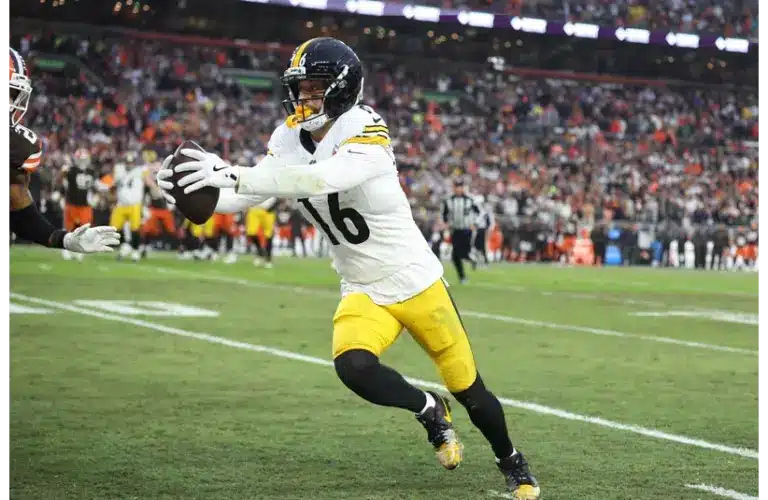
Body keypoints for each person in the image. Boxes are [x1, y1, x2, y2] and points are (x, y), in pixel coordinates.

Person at [156, 37, 540, 499]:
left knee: (469, 388)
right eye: (300, 88)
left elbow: (324, 178)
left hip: (415, 280)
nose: (304, 99)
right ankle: (427, 410)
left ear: (341, 89)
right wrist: (193, 191)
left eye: (315, 88)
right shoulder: (286, 138)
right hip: (361, 285)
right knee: (353, 366)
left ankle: (513, 463)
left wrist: (230, 169)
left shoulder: (364, 126)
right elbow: (249, 195)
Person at [8, 47, 119, 254]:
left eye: (13, 95)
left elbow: (19, 211)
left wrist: (63, 239)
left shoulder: (18, 147)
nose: (11, 103)